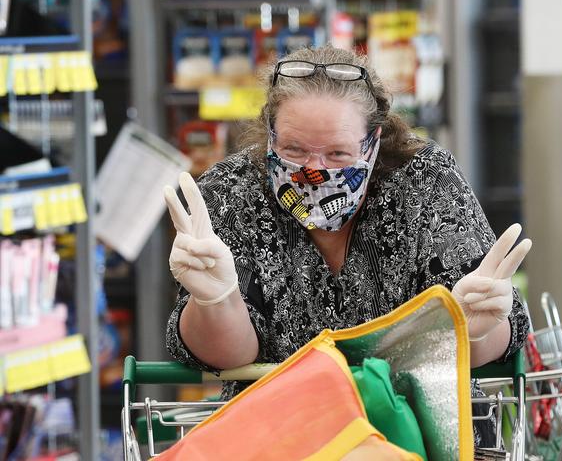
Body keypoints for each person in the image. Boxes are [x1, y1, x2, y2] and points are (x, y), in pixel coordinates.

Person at [164, 45, 532, 446]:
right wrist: (216, 301)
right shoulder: (232, 192)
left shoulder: (425, 182)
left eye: (338, 154)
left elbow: (490, 343)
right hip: (284, 441)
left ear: (373, 142)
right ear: (270, 136)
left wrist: (474, 330)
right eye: (294, 150)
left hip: (424, 438)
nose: (313, 171)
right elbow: (230, 358)